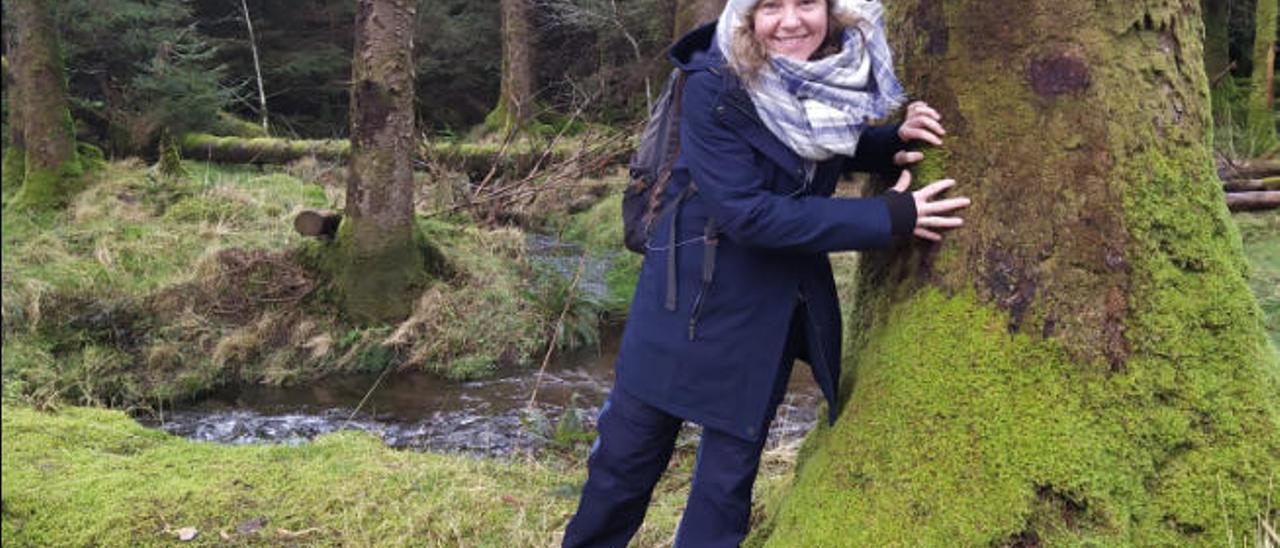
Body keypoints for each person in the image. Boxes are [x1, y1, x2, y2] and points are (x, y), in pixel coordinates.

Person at [562, 0, 969, 546]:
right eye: (771, 5)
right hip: (682, 304)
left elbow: (814, 145)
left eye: (806, 2)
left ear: (829, 8)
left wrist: (890, 142)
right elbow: (746, 212)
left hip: (768, 311)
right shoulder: (713, 80)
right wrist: (889, 216)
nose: (790, 20)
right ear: (747, 14)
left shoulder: (834, 70)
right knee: (622, 468)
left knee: (724, 489)